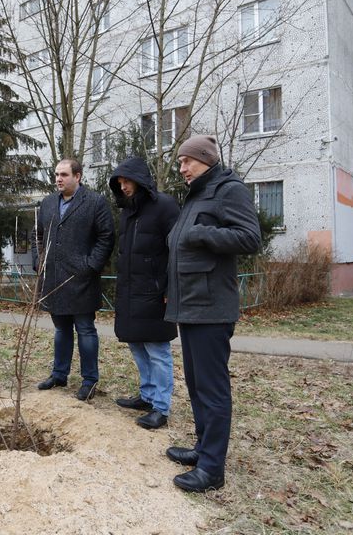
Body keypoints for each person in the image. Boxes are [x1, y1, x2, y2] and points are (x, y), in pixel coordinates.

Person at [164, 135, 260, 492]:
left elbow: (250, 238)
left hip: (211, 307)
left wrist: (203, 233)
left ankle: (212, 470)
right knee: (196, 385)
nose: (182, 168)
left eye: (186, 161)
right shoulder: (197, 194)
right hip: (189, 305)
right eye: (179, 163)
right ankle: (204, 450)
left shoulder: (227, 190)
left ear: (204, 159)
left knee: (213, 389)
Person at [34, 159, 114, 401]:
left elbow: (106, 237)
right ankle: (59, 374)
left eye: (64, 174)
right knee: (61, 329)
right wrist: (41, 260)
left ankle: (89, 380)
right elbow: (39, 234)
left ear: (77, 176)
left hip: (82, 279)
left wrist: (90, 266)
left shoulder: (95, 202)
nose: (58, 178)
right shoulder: (48, 203)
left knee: (86, 330)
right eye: (56, 174)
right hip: (54, 279)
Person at [109, 157, 180, 430]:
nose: (124, 187)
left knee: (158, 350)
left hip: (155, 292)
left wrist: (170, 288)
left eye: (127, 181)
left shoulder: (165, 206)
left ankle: (161, 408)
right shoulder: (127, 210)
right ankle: (147, 395)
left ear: (140, 179)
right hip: (130, 291)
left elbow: (178, 249)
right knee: (137, 345)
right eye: (120, 183)